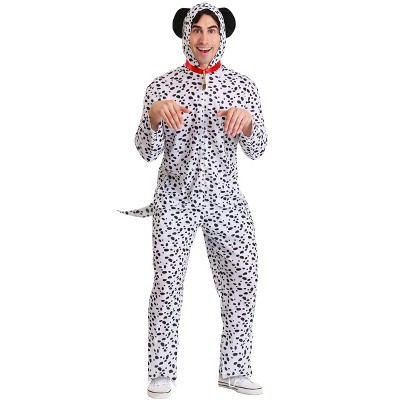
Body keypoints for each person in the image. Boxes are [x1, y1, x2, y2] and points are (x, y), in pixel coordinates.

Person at [119, 2, 268, 398]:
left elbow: (258, 149)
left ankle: (235, 369)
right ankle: (161, 372)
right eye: (197, 30)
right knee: (167, 286)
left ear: (223, 35)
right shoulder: (161, 86)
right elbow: (146, 152)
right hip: (175, 200)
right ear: (185, 33)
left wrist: (248, 125)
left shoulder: (243, 86)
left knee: (243, 279)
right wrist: (153, 117)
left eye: (212, 30)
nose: (204, 38)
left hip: (226, 201)